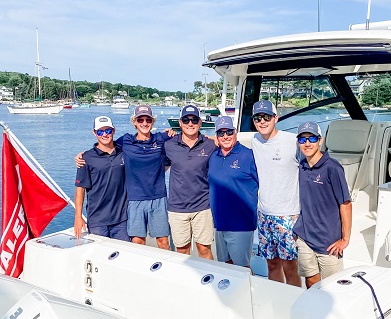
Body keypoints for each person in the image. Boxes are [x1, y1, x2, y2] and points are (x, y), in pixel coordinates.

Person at [76, 104, 171, 249]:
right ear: (134, 122)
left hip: (155, 199)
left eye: (148, 120)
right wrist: (83, 155)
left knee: (163, 242)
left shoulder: (161, 139)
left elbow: (182, 139)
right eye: (140, 120)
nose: (144, 123)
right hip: (132, 201)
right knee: (136, 243)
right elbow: (104, 146)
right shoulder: (125, 142)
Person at [293, 121, 351, 287]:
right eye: (303, 140)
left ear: (320, 140)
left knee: (332, 286)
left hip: (329, 241)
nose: (307, 143)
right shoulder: (302, 166)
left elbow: (345, 204)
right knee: (310, 280)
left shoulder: (333, 168)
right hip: (304, 237)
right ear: (298, 143)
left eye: (312, 138)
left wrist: (345, 239)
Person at [251, 100, 302, 287]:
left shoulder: (293, 141)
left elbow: (313, 163)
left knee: (290, 267)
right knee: (271, 264)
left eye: (267, 117)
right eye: (258, 118)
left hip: (288, 215)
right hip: (264, 215)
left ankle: (295, 304)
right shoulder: (255, 140)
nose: (262, 121)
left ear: (276, 118)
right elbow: (223, 139)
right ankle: (277, 300)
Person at [163, 104, 217, 258]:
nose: (190, 124)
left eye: (194, 120)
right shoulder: (169, 144)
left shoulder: (210, 144)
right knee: (182, 251)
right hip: (177, 208)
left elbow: (229, 143)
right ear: (180, 123)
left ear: (200, 123)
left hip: (203, 207)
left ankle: (208, 279)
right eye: (186, 120)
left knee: (204, 249)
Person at [208, 115, 259, 268]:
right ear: (216, 136)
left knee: (242, 268)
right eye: (221, 133)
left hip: (241, 225)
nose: (226, 136)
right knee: (225, 267)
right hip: (219, 223)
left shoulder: (249, 155)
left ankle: (250, 292)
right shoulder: (213, 156)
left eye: (229, 132)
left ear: (235, 132)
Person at [73, 116, 129, 241]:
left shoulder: (124, 152)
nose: (105, 134)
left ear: (113, 131)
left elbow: (142, 140)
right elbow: (80, 190)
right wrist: (78, 217)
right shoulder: (86, 158)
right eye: (100, 131)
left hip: (121, 219)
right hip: (97, 221)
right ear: (94, 133)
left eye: (108, 131)